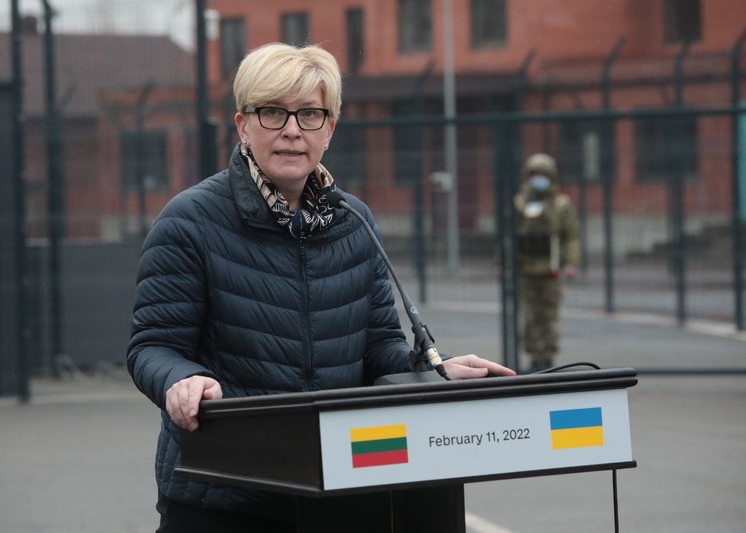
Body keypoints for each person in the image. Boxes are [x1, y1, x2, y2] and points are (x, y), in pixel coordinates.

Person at [127, 42, 516, 533]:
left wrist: (434, 373)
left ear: (329, 130)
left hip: (340, 488)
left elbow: (378, 351)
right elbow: (154, 347)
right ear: (243, 125)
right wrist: (180, 380)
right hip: (223, 494)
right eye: (273, 112)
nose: (292, 131)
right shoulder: (188, 221)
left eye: (309, 114)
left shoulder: (355, 222)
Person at [514, 153, 580, 373]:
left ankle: (548, 358)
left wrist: (570, 263)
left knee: (549, 318)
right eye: (535, 175)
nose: (539, 179)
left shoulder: (561, 205)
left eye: (543, 174)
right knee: (530, 318)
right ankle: (533, 358)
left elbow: (570, 236)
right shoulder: (521, 203)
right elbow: (510, 235)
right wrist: (503, 262)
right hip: (526, 270)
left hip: (551, 270)